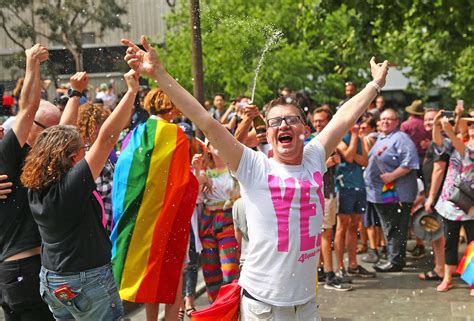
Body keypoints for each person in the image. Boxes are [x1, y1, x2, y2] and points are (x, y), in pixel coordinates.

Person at [121, 35, 388, 320]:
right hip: (263, 307)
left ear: (303, 129)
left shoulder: (314, 157)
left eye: (291, 119)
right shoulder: (253, 165)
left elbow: (344, 118)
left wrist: (375, 85)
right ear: (268, 134)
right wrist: (159, 74)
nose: (283, 124)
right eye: (275, 121)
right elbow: (206, 122)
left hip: (307, 305)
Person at [20, 70, 139, 320]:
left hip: (53, 280)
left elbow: (60, 135)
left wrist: (75, 93)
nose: (87, 152)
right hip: (86, 280)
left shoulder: (37, 182)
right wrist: (130, 92)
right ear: (72, 157)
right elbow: (106, 138)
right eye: (83, 149)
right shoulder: (71, 187)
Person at [0, 44, 55, 321]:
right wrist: (31, 64)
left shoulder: (19, 159)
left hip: (8, 274)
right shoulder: (5, 154)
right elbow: (28, 107)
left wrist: (75, 96)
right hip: (25, 269)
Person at [365, 108, 419, 272]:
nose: (385, 122)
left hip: (396, 193)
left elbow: (410, 162)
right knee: (390, 226)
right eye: (382, 119)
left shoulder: (401, 138)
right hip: (382, 193)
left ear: (397, 122)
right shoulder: (383, 137)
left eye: (390, 119)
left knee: (394, 226)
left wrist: (392, 176)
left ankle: (395, 261)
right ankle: (395, 257)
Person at [432, 112, 474, 295]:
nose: (472, 127)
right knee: (450, 241)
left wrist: (449, 132)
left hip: (470, 202)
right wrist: (436, 126)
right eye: (470, 123)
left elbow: (466, 153)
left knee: (473, 243)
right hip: (450, 202)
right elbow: (439, 144)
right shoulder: (459, 140)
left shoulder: (463, 145)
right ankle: (447, 278)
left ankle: (473, 280)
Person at [312, 106, 352, 291]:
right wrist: (328, 163)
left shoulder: (331, 140)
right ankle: (329, 275)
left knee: (324, 233)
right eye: (316, 120)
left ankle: (321, 270)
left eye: (321, 120)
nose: (318, 124)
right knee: (325, 234)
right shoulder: (310, 142)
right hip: (320, 194)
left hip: (331, 191)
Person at [334, 123, 376, 279]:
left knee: (354, 225)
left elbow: (365, 161)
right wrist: (353, 136)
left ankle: (353, 264)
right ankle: (339, 267)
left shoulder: (361, 139)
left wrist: (351, 153)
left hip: (359, 186)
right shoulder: (339, 137)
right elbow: (350, 157)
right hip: (344, 187)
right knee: (341, 227)